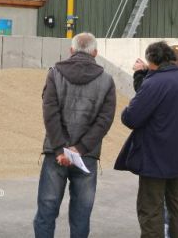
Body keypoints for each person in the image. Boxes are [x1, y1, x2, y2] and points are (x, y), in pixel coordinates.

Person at [115, 41, 178, 238]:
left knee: (151, 208)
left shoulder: (153, 83)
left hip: (155, 158)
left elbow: (131, 118)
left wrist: (140, 78)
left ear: (152, 61)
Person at [34, 32, 116, 238]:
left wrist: (61, 147)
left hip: (56, 154)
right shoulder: (106, 80)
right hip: (86, 156)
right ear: (95, 53)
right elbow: (104, 120)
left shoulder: (55, 73)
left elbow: (50, 113)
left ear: (71, 51)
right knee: (81, 214)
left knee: (47, 209)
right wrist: (79, 149)